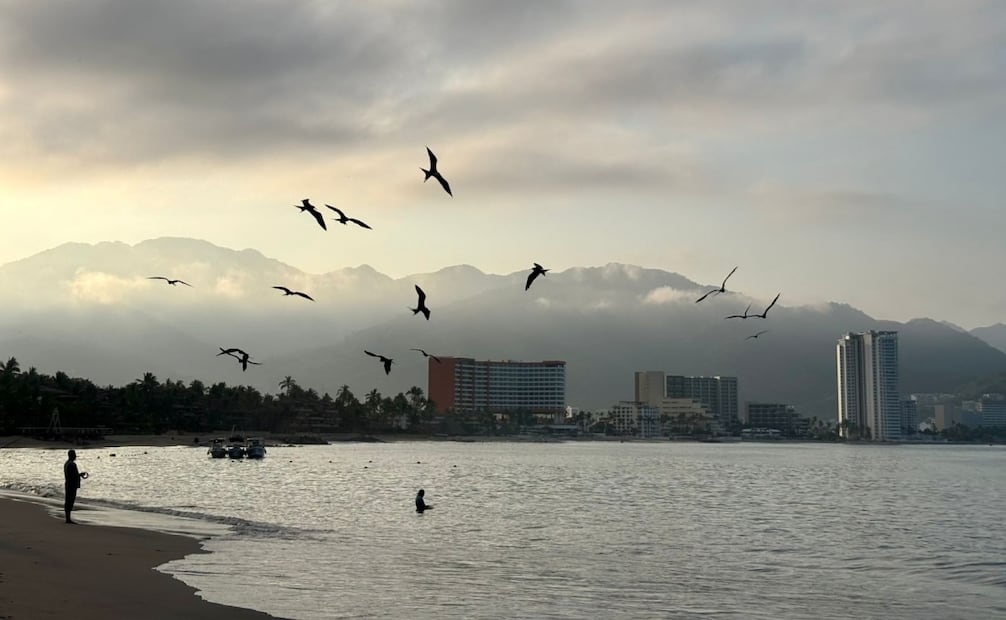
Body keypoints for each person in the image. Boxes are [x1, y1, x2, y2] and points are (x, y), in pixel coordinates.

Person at [63, 449, 86, 524]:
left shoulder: (66, 463)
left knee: (68, 501)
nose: (75, 456)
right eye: (74, 455)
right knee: (70, 501)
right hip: (71, 485)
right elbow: (74, 476)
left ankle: (68, 518)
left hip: (68, 484)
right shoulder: (72, 464)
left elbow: (71, 475)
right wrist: (80, 475)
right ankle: (68, 519)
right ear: (72, 455)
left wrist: (79, 475)